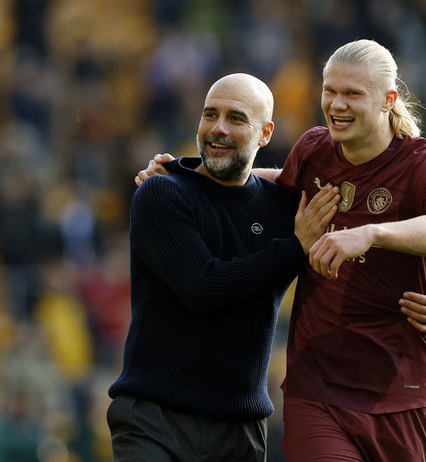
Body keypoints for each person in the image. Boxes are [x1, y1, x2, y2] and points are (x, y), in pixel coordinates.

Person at [137, 38, 426, 461]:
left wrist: (370, 234)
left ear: (388, 100)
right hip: (317, 390)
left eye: (352, 93)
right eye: (330, 90)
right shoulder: (315, 151)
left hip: (400, 390)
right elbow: (257, 179)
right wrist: (181, 172)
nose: (337, 104)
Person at [107, 73, 342, 462]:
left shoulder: (285, 210)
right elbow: (203, 286)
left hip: (241, 432)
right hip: (154, 421)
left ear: (265, 133)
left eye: (235, 118)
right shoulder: (161, 193)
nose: (217, 128)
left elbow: (367, 249)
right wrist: (295, 247)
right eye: (210, 114)